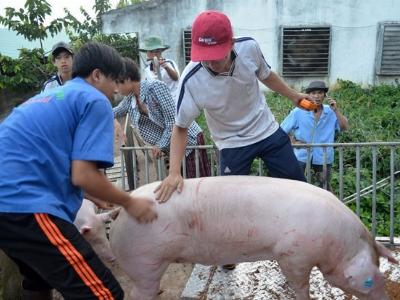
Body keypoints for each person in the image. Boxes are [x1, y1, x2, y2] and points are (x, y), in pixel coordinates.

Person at [0, 42, 157, 299]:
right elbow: (83, 175)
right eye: (113, 82)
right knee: (105, 293)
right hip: (26, 205)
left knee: (38, 282)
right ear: (96, 75)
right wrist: (129, 202)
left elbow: (47, 158)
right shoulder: (93, 99)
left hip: (8, 205)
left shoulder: (48, 97)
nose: (115, 91)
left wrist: (96, 196)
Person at [155, 10, 310, 203]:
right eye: (205, 56)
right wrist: (174, 172)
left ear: (232, 43)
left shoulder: (249, 48)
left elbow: (266, 75)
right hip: (231, 142)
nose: (211, 63)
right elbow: (180, 127)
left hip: (265, 129)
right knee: (229, 202)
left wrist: (293, 96)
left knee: (299, 188)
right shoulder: (191, 79)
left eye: (217, 56)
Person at [114, 57, 211, 178]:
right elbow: (114, 111)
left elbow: (173, 121)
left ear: (127, 79)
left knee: (194, 182)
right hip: (171, 146)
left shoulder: (155, 87)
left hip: (187, 139)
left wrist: (161, 144)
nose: (116, 89)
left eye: (117, 83)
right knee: (180, 183)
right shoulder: (130, 99)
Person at [281, 81, 349, 191]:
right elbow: (282, 131)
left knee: (324, 186)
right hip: (301, 156)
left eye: (320, 93)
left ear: (325, 95)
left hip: (323, 157)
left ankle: (325, 207)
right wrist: (293, 142)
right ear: (308, 95)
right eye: (313, 93)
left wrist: (336, 110)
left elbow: (344, 127)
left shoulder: (330, 112)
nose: (317, 96)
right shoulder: (298, 111)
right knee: (297, 186)